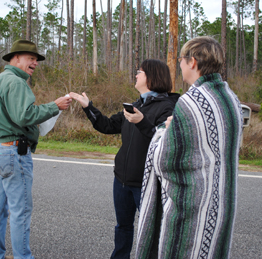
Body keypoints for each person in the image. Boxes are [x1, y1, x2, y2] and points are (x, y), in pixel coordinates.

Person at [135, 36, 244, 259]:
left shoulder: (191, 102)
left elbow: (165, 160)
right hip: (221, 203)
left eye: (181, 60)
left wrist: (163, 132)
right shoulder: (230, 97)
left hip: (193, 208)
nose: (180, 66)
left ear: (192, 62)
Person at [70, 59, 180, 259]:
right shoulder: (136, 104)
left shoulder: (169, 108)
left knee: (151, 233)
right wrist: (88, 107)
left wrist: (142, 123)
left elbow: (166, 143)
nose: (136, 75)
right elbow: (107, 126)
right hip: (121, 180)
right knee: (123, 227)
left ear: (152, 76)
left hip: (147, 184)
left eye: (139, 72)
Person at [0, 39, 72, 259]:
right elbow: (25, 116)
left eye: (36, 59)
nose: (35, 63)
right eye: (31, 58)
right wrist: (55, 106)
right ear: (15, 58)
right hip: (13, 152)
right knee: (20, 212)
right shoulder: (15, 82)